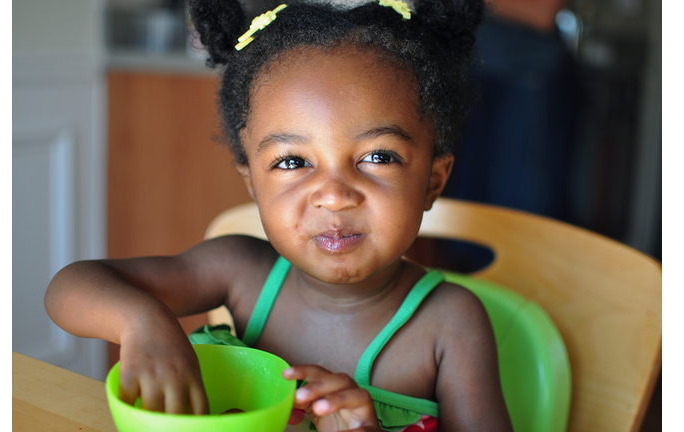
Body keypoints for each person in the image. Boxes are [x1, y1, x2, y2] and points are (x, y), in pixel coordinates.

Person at [45, 1, 513, 430]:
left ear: (432, 181)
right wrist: (141, 321)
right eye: (292, 162)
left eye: (378, 156)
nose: (333, 196)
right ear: (252, 184)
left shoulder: (451, 324)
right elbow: (69, 287)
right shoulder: (237, 269)